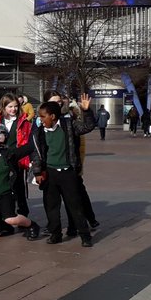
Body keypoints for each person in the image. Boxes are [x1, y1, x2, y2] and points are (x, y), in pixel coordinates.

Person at [32, 95, 96, 247]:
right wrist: (37, 172)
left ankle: (85, 235)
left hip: (68, 172)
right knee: (51, 206)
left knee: (75, 205)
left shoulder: (69, 125)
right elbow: (36, 153)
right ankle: (56, 234)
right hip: (50, 173)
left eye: (43, 116)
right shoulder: (39, 132)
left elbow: (87, 127)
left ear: (53, 116)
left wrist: (86, 111)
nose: (40, 120)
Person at [0, 94, 34, 220]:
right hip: (2, 157)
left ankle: (23, 213)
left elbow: (27, 141)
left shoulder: (23, 121)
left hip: (17, 158)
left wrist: (28, 159)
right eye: (10, 106)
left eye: (16, 106)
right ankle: (6, 213)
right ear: (3, 107)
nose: (13, 109)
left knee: (18, 186)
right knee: (4, 186)